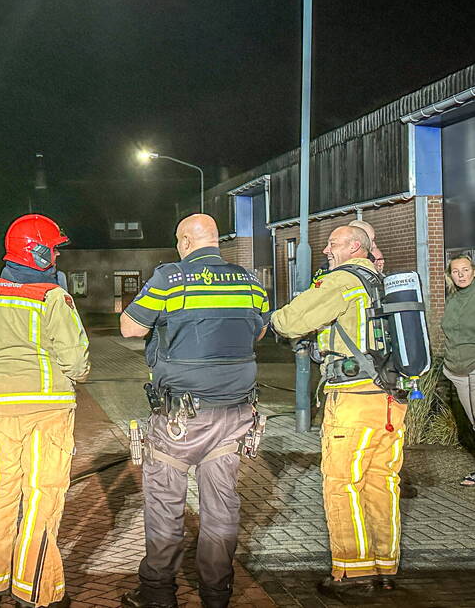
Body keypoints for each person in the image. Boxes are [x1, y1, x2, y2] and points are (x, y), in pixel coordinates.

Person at [118, 214, 269, 608]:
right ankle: (216, 594)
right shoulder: (250, 281)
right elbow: (259, 331)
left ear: (185, 242)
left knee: (165, 504)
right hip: (234, 415)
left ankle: (158, 593)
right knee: (221, 506)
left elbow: (130, 328)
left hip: (179, 419)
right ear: (215, 241)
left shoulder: (169, 278)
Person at [0, 214, 89, 608]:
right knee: (42, 496)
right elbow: (76, 362)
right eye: (55, 249)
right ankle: (34, 589)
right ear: (40, 253)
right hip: (49, 410)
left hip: (2, 410)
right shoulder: (52, 297)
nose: (57, 256)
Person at [270, 225, 404, 601]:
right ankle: (385, 567)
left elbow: (291, 320)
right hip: (392, 399)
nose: (327, 250)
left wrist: (271, 320)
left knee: (342, 483)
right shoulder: (384, 282)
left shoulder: (343, 281)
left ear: (354, 247)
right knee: (382, 483)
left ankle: (354, 573)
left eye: (333, 244)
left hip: (353, 399)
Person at [443, 254, 475, 485]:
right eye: (456, 271)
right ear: (450, 275)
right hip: (456, 370)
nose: (461, 275)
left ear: (474, 271)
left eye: (465, 270)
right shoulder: (452, 299)